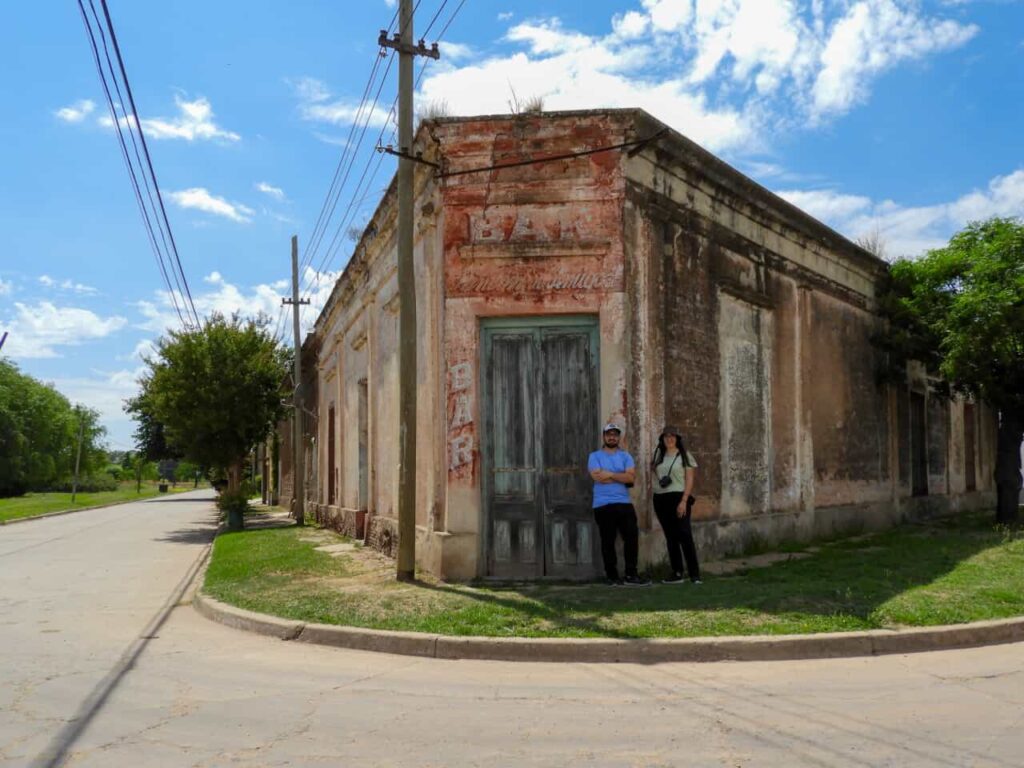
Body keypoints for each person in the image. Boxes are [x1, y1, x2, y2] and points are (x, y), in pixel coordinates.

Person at [588, 423, 651, 586]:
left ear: (619, 437)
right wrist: (619, 475)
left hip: (624, 503)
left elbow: (630, 478)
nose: (612, 437)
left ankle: (631, 575)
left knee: (631, 538)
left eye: (615, 434)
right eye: (609, 434)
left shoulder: (626, 456)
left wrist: (608, 474)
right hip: (602, 504)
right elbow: (597, 477)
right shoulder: (594, 456)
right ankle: (612, 576)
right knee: (607, 540)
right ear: (604, 437)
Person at [651, 426, 702, 584]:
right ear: (662, 439)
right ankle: (677, 572)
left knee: (685, 535)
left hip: (678, 497)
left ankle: (694, 575)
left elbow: (690, 479)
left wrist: (684, 501)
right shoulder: (658, 455)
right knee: (670, 537)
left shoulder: (685, 456)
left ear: (677, 439)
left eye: (672, 436)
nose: (669, 439)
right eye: (666, 436)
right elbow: (653, 471)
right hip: (660, 498)